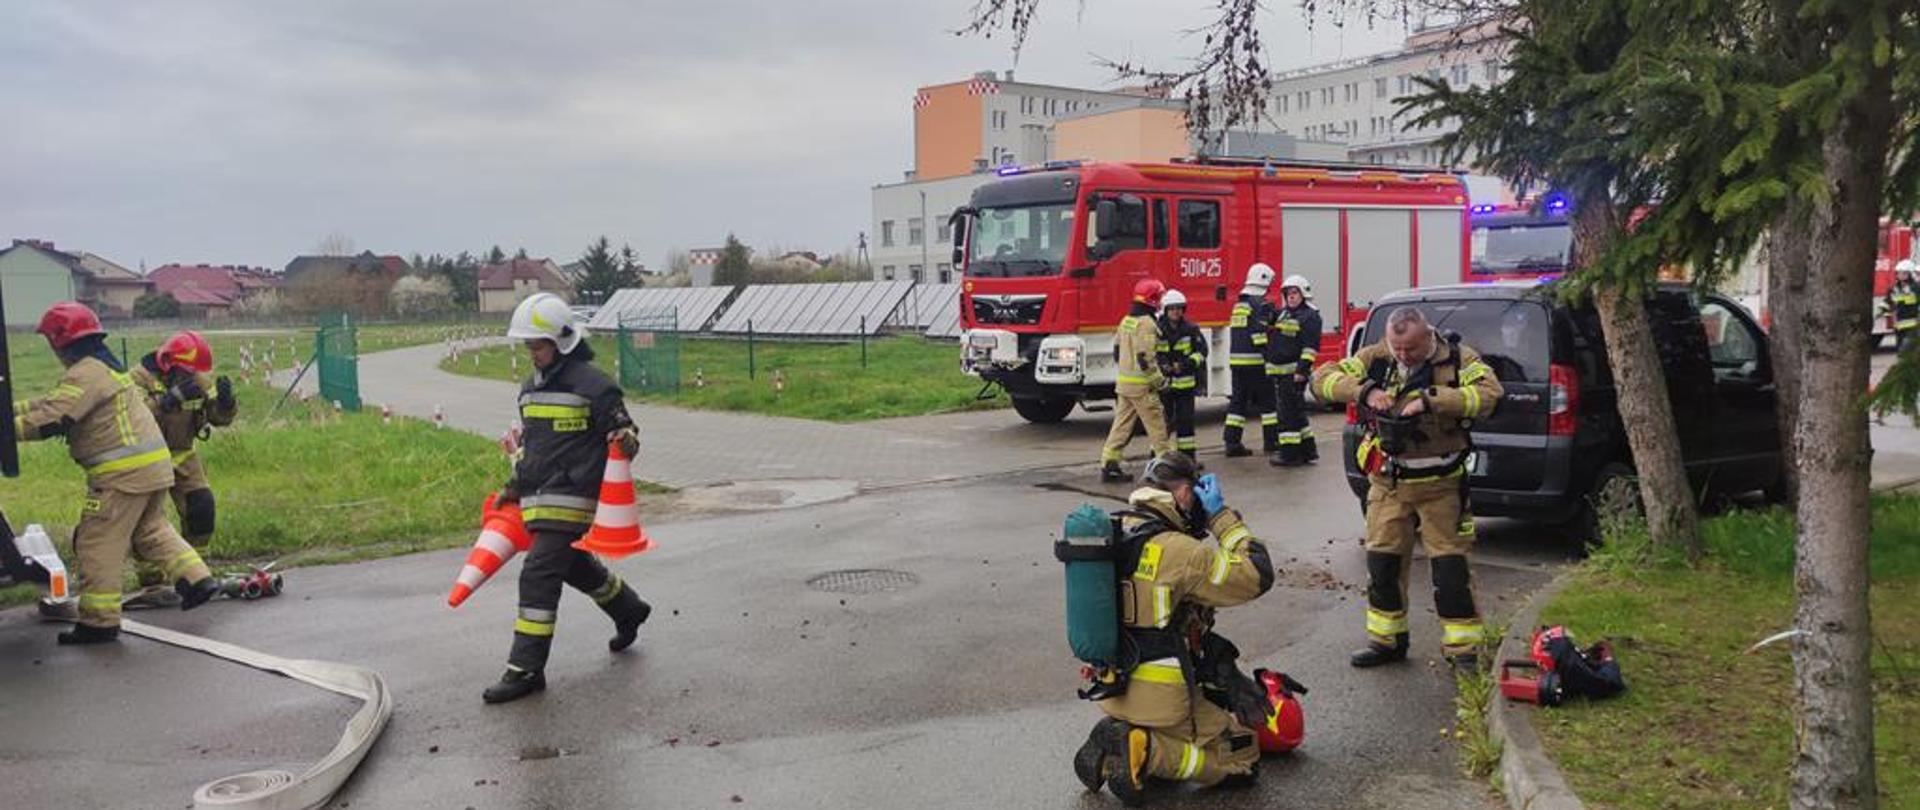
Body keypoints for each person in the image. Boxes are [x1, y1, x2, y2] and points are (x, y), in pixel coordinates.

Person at [1073, 452, 1276, 805]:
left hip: (1114, 689)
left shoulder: (1117, 532)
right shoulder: (1179, 551)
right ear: (1183, 494)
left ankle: (1124, 736)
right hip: (1163, 699)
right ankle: (1146, 749)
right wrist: (1221, 518)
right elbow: (1257, 575)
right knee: (1243, 755)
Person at [1310, 307, 1504, 671]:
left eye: (1411, 350)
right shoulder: (1376, 358)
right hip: (1388, 484)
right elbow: (1321, 380)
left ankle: (1463, 650)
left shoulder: (1459, 358)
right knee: (1382, 565)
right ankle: (1387, 641)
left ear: (1428, 336)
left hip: (1442, 485)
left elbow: (1490, 393)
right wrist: (1364, 391)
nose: (1403, 356)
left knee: (1451, 571)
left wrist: (1433, 400)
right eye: (1397, 348)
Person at [14, 302, 219, 644]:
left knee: (98, 542)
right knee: (151, 530)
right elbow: (49, 401)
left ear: (60, 342)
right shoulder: (104, 368)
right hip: (154, 467)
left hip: (122, 476)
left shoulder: (85, 373)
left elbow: (53, 417)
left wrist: (7, 431)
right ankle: (198, 579)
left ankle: (99, 622)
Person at [484, 293, 653, 703]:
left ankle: (525, 669)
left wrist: (623, 440)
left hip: (576, 498)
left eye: (537, 346)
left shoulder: (596, 386)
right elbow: (536, 451)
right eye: (528, 347)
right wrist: (513, 490)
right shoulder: (529, 390)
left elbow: (627, 439)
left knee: (539, 572)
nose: (532, 355)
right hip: (540, 498)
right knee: (571, 565)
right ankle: (629, 609)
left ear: (562, 341)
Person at [123, 331, 237, 608]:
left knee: (202, 507)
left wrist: (225, 403)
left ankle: (194, 572)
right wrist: (169, 400)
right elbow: (131, 418)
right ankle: (153, 583)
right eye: (186, 370)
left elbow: (218, 419)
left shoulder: (197, 379)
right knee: (147, 520)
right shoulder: (135, 381)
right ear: (166, 363)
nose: (192, 376)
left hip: (182, 454)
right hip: (146, 458)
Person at [1101, 279, 1174, 483]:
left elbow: (1116, 351)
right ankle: (1164, 468)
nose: (1160, 301)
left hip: (1124, 385)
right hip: (1142, 387)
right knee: (1158, 426)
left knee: (1121, 426)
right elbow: (1146, 358)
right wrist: (1160, 382)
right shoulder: (1147, 324)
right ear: (1152, 300)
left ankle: (1109, 464)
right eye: (1158, 297)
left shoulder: (1127, 320)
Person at [1222, 264, 1279, 457]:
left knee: (1237, 403)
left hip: (1237, 363)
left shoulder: (1240, 304)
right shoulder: (1260, 304)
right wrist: (1269, 356)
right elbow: (1258, 335)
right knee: (1269, 404)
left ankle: (1232, 443)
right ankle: (1271, 442)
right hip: (1255, 363)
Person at [1268, 275, 1323, 467]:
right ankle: (1308, 451)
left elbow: (1310, 348)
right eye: (1288, 293)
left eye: (1294, 293)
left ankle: (1289, 454)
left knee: (1287, 415)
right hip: (1282, 373)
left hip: (1293, 373)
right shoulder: (1284, 314)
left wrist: (1301, 370)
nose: (1290, 297)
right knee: (1297, 413)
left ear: (1303, 294)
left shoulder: (1310, 316)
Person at [1155, 289, 1208, 459]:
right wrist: (1163, 366)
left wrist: (1186, 364)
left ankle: (1187, 460)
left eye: (1179, 308)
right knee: (1162, 424)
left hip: (1186, 385)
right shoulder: (1156, 330)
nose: (1176, 312)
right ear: (1165, 310)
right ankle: (1159, 458)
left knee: (1186, 423)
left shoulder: (1191, 329)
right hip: (1164, 386)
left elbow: (1202, 352)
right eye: (1172, 308)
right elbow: (1152, 353)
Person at [1887, 260, 1919, 352]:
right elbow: (1890, 304)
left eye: (1904, 273)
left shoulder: (1915, 288)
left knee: (1905, 350)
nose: (1901, 275)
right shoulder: (1894, 288)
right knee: (1900, 350)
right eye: (1899, 273)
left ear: (1910, 274)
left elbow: (1914, 302)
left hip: (1912, 325)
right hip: (1899, 326)